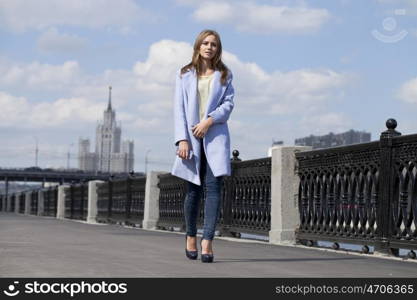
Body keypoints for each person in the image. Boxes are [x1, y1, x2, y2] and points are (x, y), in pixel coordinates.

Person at [171, 29, 235, 263]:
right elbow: (178, 109)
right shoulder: (184, 74)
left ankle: (207, 240)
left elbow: (228, 105)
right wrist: (182, 139)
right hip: (191, 138)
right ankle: (190, 235)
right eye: (205, 43)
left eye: (214, 44)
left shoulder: (224, 74)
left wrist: (209, 120)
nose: (209, 47)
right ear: (198, 46)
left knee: (214, 190)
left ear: (218, 49)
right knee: (193, 191)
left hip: (215, 137)